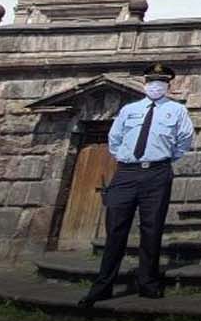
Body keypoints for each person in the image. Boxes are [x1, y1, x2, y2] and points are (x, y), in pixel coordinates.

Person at [79, 63, 194, 308]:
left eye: (161, 82)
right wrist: (127, 158)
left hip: (157, 172)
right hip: (127, 173)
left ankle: (148, 282)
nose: (156, 86)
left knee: (152, 229)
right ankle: (102, 286)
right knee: (115, 230)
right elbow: (115, 138)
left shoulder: (177, 110)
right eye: (152, 81)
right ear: (145, 83)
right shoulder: (129, 110)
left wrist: (161, 158)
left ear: (168, 85)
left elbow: (184, 140)